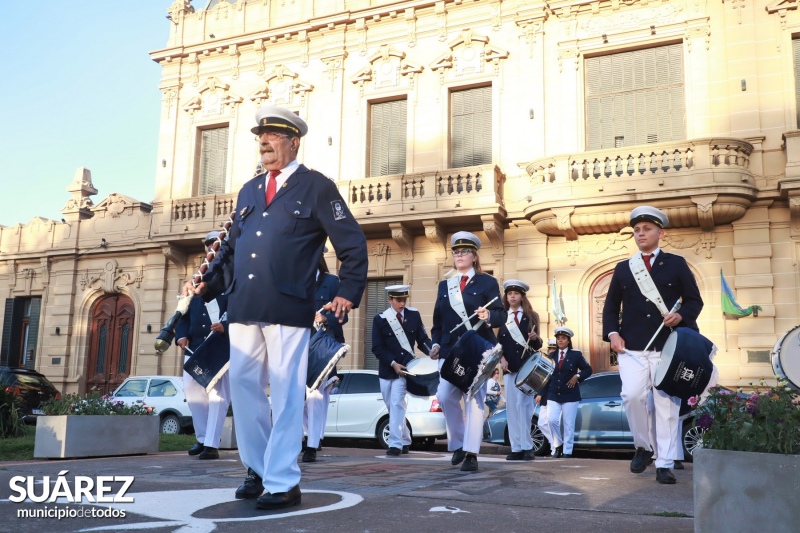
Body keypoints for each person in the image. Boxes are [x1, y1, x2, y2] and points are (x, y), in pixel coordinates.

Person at [187, 105, 368, 510]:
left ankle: (283, 480)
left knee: (286, 394)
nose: (264, 143)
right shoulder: (249, 191)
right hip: (244, 305)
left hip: (288, 305)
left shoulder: (317, 187)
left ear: (293, 141)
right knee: (247, 389)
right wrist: (207, 283)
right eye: (260, 137)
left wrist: (348, 291)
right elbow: (231, 249)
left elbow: (353, 243)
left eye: (272, 136)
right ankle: (257, 468)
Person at [602, 205, 703, 485]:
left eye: (646, 229)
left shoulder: (676, 264)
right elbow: (610, 309)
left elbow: (695, 300)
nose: (640, 234)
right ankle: (643, 447)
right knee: (632, 397)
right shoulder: (624, 268)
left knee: (666, 405)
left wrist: (680, 316)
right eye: (636, 230)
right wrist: (612, 334)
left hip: (667, 347)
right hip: (631, 347)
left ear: (661, 232)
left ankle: (665, 462)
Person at [429, 231, 505, 472]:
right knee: (444, 396)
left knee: (474, 400)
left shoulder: (487, 282)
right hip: (450, 350)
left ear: (474, 256)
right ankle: (460, 443)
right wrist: (435, 344)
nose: (459, 255)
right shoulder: (445, 285)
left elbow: (501, 315)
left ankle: (471, 453)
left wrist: (489, 315)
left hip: (477, 348)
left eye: (464, 252)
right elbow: (438, 322)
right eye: (455, 252)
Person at [176, 231, 231, 461]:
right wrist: (181, 335)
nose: (212, 250)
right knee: (193, 392)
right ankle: (201, 438)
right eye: (209, 247)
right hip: (194, 346)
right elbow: (183, 312)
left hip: (218, 345)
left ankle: (212, 444)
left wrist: (226, 325)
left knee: (217, 396)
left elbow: (241, 307)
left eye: (215, 247)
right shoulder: (196, 278)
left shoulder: (230, 276)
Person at [371, 284, 432, 456]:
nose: (402, 303)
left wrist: (432, 350)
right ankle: (405, 438)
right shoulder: (380, 319)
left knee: (398, 403)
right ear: (390, 299)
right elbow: (377, 347)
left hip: (405, 368)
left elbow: (422, 339)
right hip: (387, 369)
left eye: (404, 299)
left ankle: (395, 444)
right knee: (392, 406)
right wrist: (392, 363)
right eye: (398, 300)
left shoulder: (414, 315)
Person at [301, 251, 346, 463]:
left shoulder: (331, 282)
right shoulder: (295, 279)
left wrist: (325, 317)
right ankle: (309, 434)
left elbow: (342, 315)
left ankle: (311, 443)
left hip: (321, 347)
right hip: (299, 345)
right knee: (297, 397)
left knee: (316, 396)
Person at [497, 279, 542, 461]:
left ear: (522, 296)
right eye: (509, 294)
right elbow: (498, 344)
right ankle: (516, 448)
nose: (512, 296)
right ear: (506, 297)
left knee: (525, 407)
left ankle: (527, 447)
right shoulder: (501, 317)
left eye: (516, 293)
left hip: (526, 368)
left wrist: (534, 338)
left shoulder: (531, 316)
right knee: (512, 409)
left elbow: (539, 345)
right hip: (509, 369)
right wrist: (501, 359)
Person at [544, 327, 592, 458]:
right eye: (558, 338)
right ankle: (558, 444)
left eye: (563, 338)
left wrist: (577, 376)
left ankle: (567, 451)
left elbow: (588, 370)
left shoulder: (575, 355)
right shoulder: (551, 356)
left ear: (568, 340)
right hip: (553, 393)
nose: (560, 341)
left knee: (568, 424)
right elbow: (546, 376)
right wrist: (541, 394)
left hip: (570, 394)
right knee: (551, 420)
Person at [535, 339, 557, 457]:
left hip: (551, 397)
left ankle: (555, 446)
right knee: (542, 423)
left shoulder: (556, 363)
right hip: (544, 399)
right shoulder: (546, 361)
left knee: (551, 422)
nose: (551, 351)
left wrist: (540, 393)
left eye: (554, 349)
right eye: (550, 349)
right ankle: (554, 443)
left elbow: (549, 380)